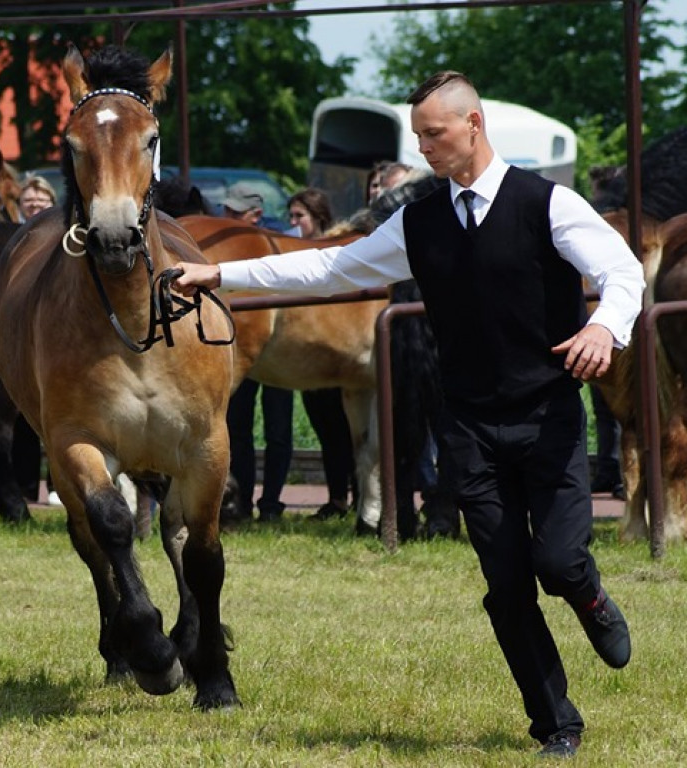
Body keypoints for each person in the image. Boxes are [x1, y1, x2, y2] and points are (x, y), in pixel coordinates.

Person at [173, 70, 643, 758]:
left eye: (433, 133)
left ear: (474, 124)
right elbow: (331, 269)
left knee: (560, 561)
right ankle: (557, 724)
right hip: (470, 428)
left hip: (548, 417)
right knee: (506, 587)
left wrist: (605, 326)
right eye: (418, 136)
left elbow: (622, 272)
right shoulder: (418, 221)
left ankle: (590, 596)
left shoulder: (547, 203)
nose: (423, 147)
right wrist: (223, 274)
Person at [222, 183, 294, 523]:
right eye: (227, 210)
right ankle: (243, 501)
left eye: (236, 212)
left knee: (278, 430)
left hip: (277, 348)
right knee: (238, 428)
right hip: (243, 344)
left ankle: (271, 503)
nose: (228, 217)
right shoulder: (227, 246)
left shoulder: (276, 245)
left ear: (256, 215)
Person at [286, 188, 357, 522]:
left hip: (339, 356)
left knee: (348, 430)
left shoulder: (336, 250)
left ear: (318, 217)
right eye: (291, 216)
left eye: (299, 216)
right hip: (310, 355)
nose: (293, 223)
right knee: (327, 434)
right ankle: (337, 498)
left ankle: (358, 496)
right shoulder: (293, 253)